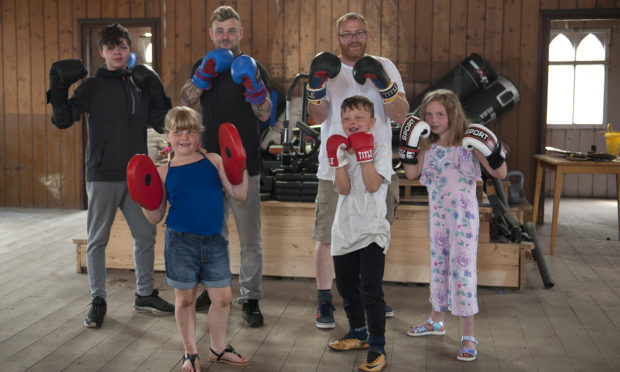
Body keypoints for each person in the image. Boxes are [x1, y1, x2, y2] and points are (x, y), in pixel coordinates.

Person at [47, 23, 174, 328]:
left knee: (145, 235)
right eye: (111, 47)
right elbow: (63, 120)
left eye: (123, 47)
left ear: (129, 50)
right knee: (97, 240)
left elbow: (161, 124)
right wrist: (58, 89)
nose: (117, 52)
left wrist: (158, 92)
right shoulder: (90, 86)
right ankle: (98, 299)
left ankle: (144, 293)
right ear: (102, 52)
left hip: (136, 174)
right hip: (102, 173)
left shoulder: (139, 84)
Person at [306, 12, 409, 329]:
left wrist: (383, 83)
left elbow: (402, 114)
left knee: (373, 235)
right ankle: (325, 300)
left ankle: (371, 294)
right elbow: (315, 116)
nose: (353, 38)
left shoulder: (385, 65)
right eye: (346, 34)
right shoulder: (328, 66)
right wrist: (315, 84)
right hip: (335, 164)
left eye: (358, 33)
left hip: (376, 163)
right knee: (328, 235)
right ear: (338, 38)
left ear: (367, 34)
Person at [179, 5, 271, 327]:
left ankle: (250, 298)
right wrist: (203, 74)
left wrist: (254, 86)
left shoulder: (253, 66)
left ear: (240, 33)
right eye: (220, 31)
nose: (225, 37)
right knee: (212, 235)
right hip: (209, 165)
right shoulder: (203, 65)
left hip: (245, 166)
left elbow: (264, 113)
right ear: (211, 34)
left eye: (231, 31)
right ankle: (215, 289)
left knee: (249, 238)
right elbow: (185, 101)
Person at [400, 89, 508, 362]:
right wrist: (409, 145)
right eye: (428, 114)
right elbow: (411, 174)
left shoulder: (468, 143)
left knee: (462, 272)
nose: (433, 119)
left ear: (453, 115)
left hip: (463, 219)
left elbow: (500, 172)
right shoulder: (427, 146)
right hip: (437, 217)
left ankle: (469, 335)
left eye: (440, 114)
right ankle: (436, 321)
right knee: (439, 267)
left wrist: (492, 149)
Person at [141, 106, 250, 370]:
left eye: (190, 131)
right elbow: (155, 217)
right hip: (180, 243)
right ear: (168, 136)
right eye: (178, 132)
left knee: (223, 298)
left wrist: (240, 164)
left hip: (214, 241)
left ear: (197, 134)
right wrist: (142, 197)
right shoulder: (163, 172)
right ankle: (190, 353)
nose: (185, 138)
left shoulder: (213, 160)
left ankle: (218, 348)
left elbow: (239, 193)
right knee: (186, 299)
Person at [326, 95, 392, 372]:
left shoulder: (381, 148)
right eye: (347, 118)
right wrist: (339, 162)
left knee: (370, 290)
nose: (352, 123)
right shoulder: (340, 148)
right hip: (344, 230)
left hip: (372, 231)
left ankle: (377, 346)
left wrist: (364, 156)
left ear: (372, 121)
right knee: (346, 287)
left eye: (359, 117)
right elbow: (342, 189)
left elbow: (374, 185)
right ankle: (357, 332)